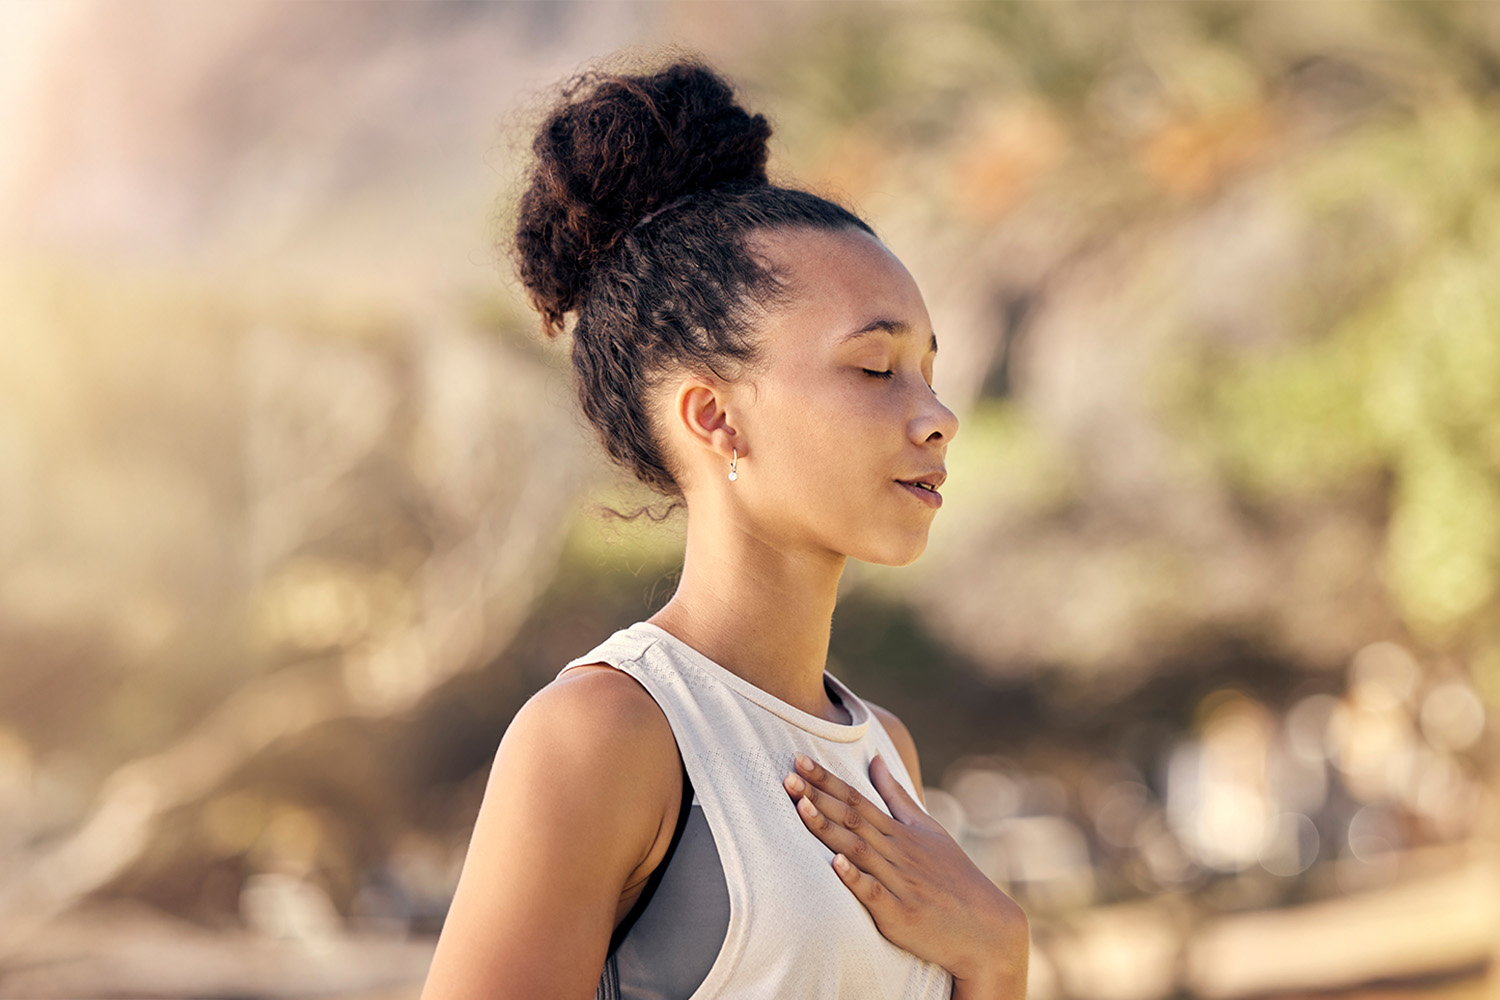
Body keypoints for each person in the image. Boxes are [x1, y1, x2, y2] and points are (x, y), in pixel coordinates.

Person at [418, 55, 1029, 1000]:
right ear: (715, 417)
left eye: (927, 370)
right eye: (876, 370)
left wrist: (997, 955)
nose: (936, 414)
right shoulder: (606, 735)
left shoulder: (882, 752)